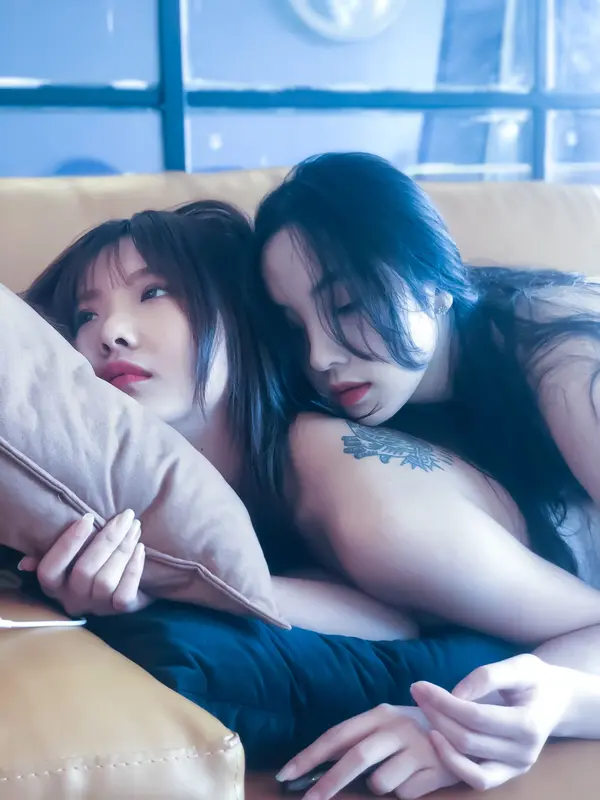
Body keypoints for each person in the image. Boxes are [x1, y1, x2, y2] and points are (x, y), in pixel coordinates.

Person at [15, 196, 600, 798]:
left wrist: (470, 723)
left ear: (238, 313)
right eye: (85, 314)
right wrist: (150, 586)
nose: (109, 333)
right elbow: (386, 617)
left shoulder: (371, 500)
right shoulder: (227, 488)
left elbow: (590, 621)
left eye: (154, 292)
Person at [239, 150, 600, 797]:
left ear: (433, 281)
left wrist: (526, 709)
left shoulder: (564, 355)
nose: (319, 355)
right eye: (294, 328)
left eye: (346, 305)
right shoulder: (362, 428)